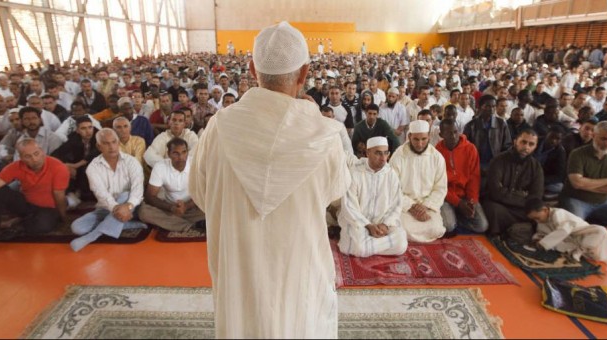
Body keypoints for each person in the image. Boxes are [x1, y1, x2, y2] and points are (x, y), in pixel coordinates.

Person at [188, 22, 350, 338]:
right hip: (298, 263)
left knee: (244, 320)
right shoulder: (324, 135)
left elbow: (200, 192)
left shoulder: (218, 128)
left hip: (240, 264)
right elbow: (334, 193)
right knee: (300, 319)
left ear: (252, 69)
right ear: (304, 73)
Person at [0, 139, 69, 253]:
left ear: (42, 151)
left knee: (41, 226)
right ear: (21, 157)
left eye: (36, 153)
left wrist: (63, 217)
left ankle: (17, 223)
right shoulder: (16, 166)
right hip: (27, 205)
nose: (34, 159)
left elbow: (59, 196)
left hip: (48, 208)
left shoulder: (58, 167)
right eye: (28, 156)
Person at [70, 128, 146, 252]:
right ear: (99, 146)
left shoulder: (132, 162)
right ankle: (123, 224)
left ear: (118, 142)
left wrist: (127, 206)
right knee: (77, 227)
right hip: (105, 209)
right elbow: (101, 194)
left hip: (132, 207)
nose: (111, 147)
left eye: (114, 142)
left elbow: (138, 190)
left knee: (125, 195)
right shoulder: (93, 167)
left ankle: (92, 236)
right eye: (106, 143)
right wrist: (116, 209)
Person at [559, 121, 607, 236]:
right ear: (594, 136)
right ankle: (594, 225)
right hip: (576, 199)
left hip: (602, 201)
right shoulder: (577, 154)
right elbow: (577, 183)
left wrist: (587, 185)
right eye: (604, 139)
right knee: (574, 230)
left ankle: (596, 226)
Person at [337, 136, 408, 257]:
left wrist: (385, 224)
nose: (383, 158)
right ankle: (376, 246)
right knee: (359, 247)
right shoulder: (355, 173)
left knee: (401, 244)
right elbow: (349, 206)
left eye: (386, 153)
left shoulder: (391, 174)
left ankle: (369, 247)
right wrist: (368, 226)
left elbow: (397, 204)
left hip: (383, 223)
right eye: (378, 153)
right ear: (367, 153)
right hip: (359, 224)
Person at [389, 120, 447, 242]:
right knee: (401, 229)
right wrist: (411, 206)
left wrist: (425, 207)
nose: (420, 144)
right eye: (416, 139)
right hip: (404, 206)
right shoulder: (399, 155)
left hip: (428, 206)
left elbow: (440, 188)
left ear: (429, 137)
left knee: (437, 229)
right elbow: (392, 188)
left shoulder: (437, 157)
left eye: (423, 139)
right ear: (409, 136)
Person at [482, 129, 544, 236]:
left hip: (521, 209)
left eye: (531, 144)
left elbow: (536, 195)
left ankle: (515, 231)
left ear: (535, 146)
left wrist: (508, 193)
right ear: (515, 141)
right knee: (494, 210)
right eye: (523, 142)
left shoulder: (536, 166)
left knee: (538, 212)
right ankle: (498, 236)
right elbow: (495, 192)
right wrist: (522, 196)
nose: (526, 147)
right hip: (500, 205)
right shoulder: (499, 160)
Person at [139, 138, 204, 232]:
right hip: (169, 209)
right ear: (168, 154)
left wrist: (186, 206)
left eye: (184, 152)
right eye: (176, 153)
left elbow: (202, 192)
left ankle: (175, 223)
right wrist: (172, 208)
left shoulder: (195, 164)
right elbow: (150, 196)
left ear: (187, 152)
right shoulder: (160, 167)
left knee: (214, 206)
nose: (181, 157)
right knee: (143, 212)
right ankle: (190, 226)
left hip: (193, 207)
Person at [436, 119, 488, 234]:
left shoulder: (470, 149)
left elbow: (474, 178)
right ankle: (453, 219)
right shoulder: (436, 152)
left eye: (455, 132)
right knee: (448, 226)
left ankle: (456, 218)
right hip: (446, 197)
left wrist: (471, 201)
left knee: (482, 226)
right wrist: (458, 203)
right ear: (441, 134)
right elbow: (438, 185)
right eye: (449, 133)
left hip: (465, 196)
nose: (454, 136)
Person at [525, 198, 607, 263]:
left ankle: (579, 252)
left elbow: (564, 231)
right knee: (553, 243)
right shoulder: (541, 222)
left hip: (583, 235)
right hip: (569, 242)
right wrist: (537, 240)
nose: (537, 221)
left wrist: (543, 244)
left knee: (601, 230)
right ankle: (575, 253)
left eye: (537, 218)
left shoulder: (558, 213)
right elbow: (541, 233)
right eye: (534, 219)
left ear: (545, 210)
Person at [51, 116, 100, 206]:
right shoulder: (74, 138)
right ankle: (72, 195)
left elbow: (94, 154)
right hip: (79, 167)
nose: (88, 131)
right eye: (83, 128)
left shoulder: (99, 136)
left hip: (97, 165)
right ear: (77, 130)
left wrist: (76, 165)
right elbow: (57, 153)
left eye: (90, 127)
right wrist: (66, 166)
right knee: (65, 171)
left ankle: (82, 195)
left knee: (84, 169)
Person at [463, 95, 512, 172]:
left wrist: (501, 163)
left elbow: (507, 145)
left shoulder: (501, 124)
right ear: (481, 107)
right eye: (488, 106)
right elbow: (465, 148)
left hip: (496, 164)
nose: (492, 109)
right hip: (476, 164)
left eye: (494, 106)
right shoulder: (471, 125)